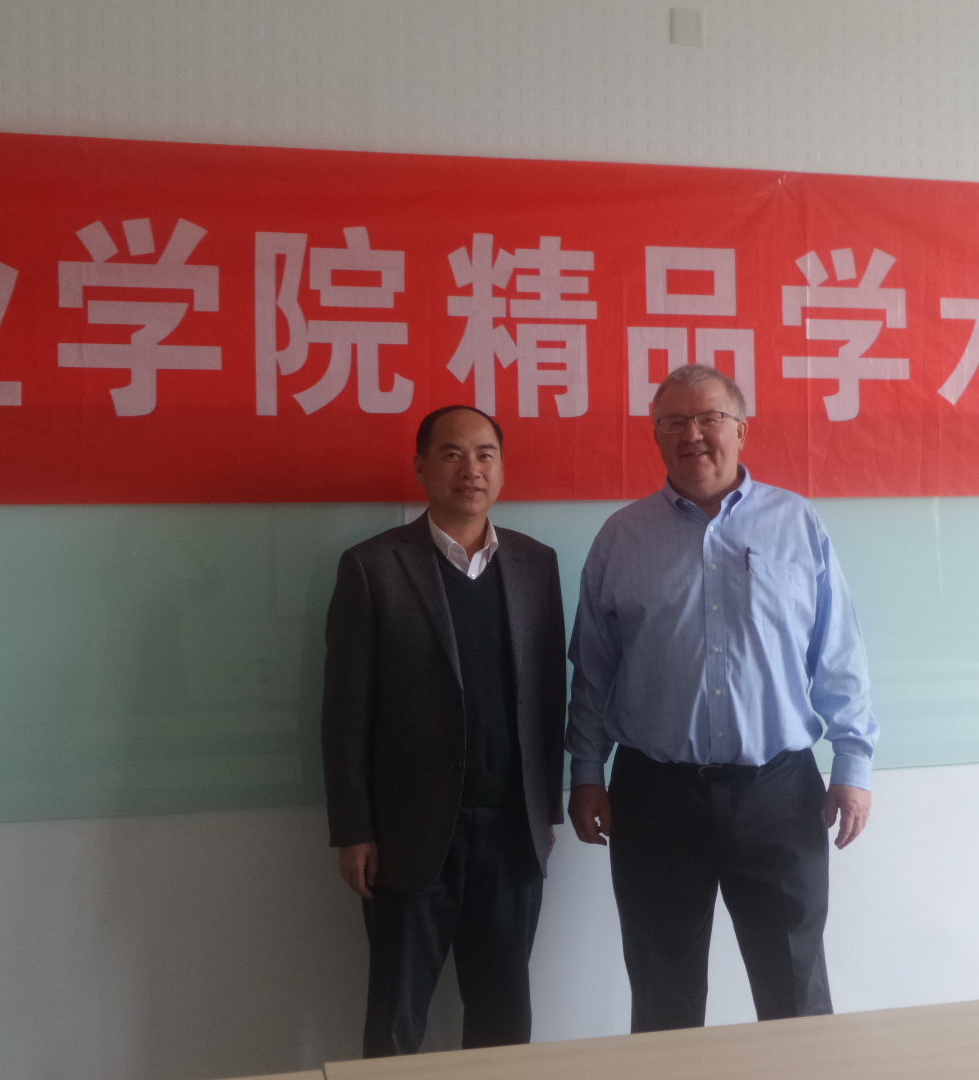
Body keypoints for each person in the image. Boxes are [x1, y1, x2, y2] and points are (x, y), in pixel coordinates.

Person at [565, 364, 877, 1033]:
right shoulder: (621, 537)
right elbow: (592, 672)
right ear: (656, 436)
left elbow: (839, 655)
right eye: (674, 422)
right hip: (655, 796)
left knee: (795, 991)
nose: (693, 435)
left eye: (709, 419)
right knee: (663, 996)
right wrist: (586, 772)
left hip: (778, 794)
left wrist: (853, 765)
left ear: (741, 430)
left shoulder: (797, 523)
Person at [321, 404, 567, 1057]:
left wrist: (545, 810)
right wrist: (354, 828)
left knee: (504, 1017)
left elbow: (549, 697)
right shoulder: (373, 567)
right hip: (409, 835)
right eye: (452, 454)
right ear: (422, 467)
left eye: (486, 454)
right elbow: (344, 712)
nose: (471, 469)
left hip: (512, 833)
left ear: (503, 470)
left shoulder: (536, 564)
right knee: (396, 1019)